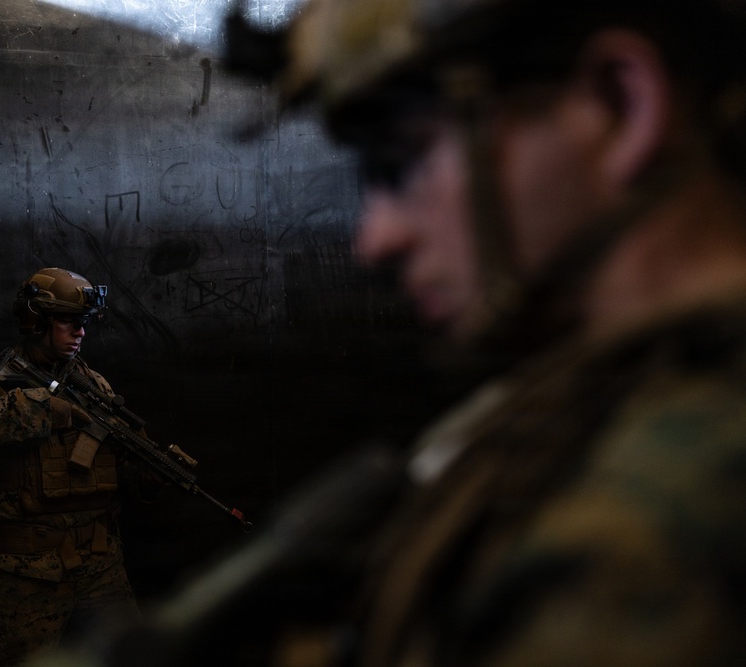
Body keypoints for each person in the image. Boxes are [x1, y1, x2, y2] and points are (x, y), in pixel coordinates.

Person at [220, 0, 746, 665]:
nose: (375, 240)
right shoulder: (599, 398)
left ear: (622, 104)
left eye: (402, 157)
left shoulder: (667, 513)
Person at [0, 267, 149, 667]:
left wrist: (146, 478)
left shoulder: (94, 385)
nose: (80, 333)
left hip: (100, 567)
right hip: (26, 574)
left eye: (84, 323)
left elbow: (116, 466)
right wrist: (42, 407)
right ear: (36, 322)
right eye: (69, 322)